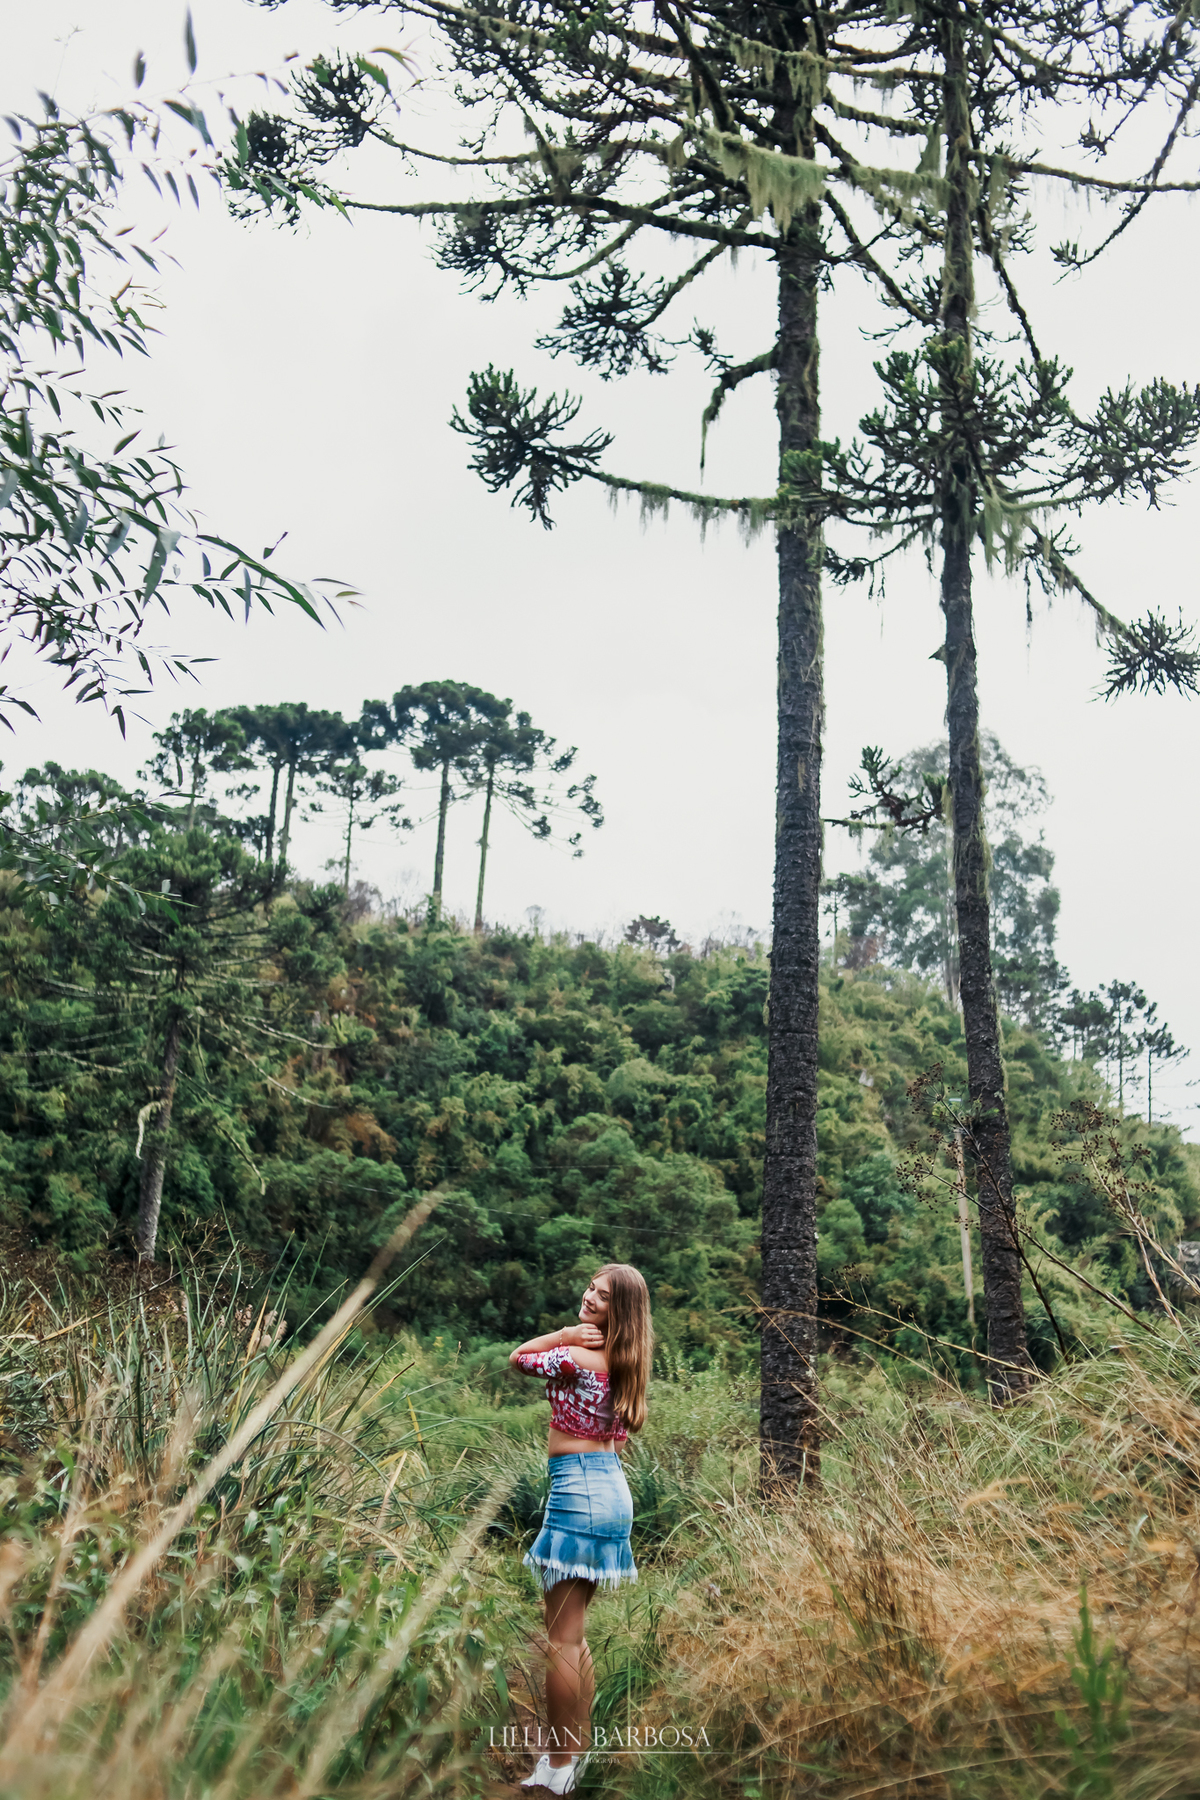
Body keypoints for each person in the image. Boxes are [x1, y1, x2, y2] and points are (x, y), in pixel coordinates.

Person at [508, 1263, 653, 1795]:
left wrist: (564, 1334)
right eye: (591, 1287)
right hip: (611, 1489)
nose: (590, 1296)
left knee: (560, 1641)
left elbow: (520, 1357)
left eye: (604, 1295)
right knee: (574, 1638)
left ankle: (561, 1763)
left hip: (579, 1494)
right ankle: (570, 1754)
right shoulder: (627, 1362)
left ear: (621, 1311)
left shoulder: (575, 1357)